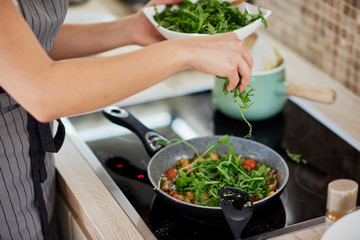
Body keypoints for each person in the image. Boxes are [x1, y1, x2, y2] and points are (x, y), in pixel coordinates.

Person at [0, 0, 253, 239]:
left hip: (27, 160)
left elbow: (30, 46)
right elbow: (44, 92)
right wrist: (184, 51)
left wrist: (130, 28)